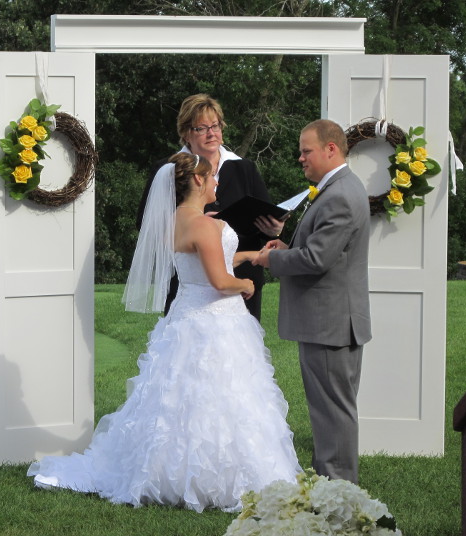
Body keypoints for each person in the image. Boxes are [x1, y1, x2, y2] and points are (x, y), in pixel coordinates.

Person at [28, 152, 302, 512]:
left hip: (186, 318)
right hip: (215, 322)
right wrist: (246, 287)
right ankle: (216, 478)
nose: (217, 181)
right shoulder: (205, 225)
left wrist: (249, 255)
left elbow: (204, 261)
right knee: (223, 396)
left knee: (178, 399)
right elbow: (220, 281)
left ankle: (169, 469)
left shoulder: (177, 220)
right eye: (212, 177)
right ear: (199, 181)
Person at [254, 119, 371, 484]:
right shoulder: (337, 188)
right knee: (331, 410)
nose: (300, 158)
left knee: (332, 412)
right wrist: (288, 248)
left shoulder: (339, 195)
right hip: (332, 321)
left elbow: (317, 260)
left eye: (306, 151)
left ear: (330, 149)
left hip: (330, 323)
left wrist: (268, 259)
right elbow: (322, 252)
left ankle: (338, 491)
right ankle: (333, 485)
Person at [137, 93, 284, 320]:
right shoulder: (168, 170)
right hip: (190, 281)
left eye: (215, 126)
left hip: (243, 277)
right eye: (201, 128)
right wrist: (199, 224)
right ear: (186, 133)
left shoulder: (244, 168)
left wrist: (274, 230)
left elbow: (267, 212)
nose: (211, 133)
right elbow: (148, 225)